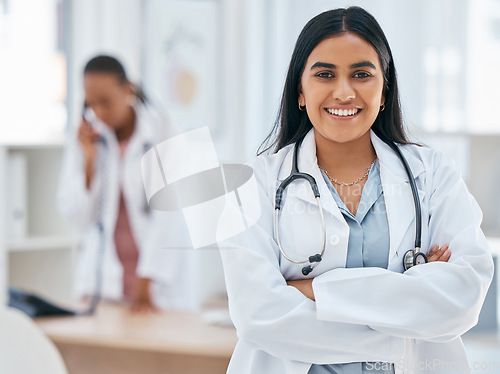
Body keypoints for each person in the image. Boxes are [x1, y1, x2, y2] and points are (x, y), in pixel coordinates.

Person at [218, 7, 494, 374]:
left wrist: (313, 290)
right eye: (325, 74)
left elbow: (463, 297)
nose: (344, 92)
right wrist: (405, 327)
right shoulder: (252, 186)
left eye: (361, 74)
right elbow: (259, 316)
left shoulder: (433, 174)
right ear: (300, 91)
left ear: (384, 90)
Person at [57, 55, 190, 312]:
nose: (98, 112)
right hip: (101, 283)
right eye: (90, 103)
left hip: (155, 283)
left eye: (105, 102)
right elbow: (77, 217)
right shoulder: (87, 139)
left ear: (127, 89)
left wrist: (147, 277)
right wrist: (89, 161)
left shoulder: (165, 133)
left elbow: (170, 214)